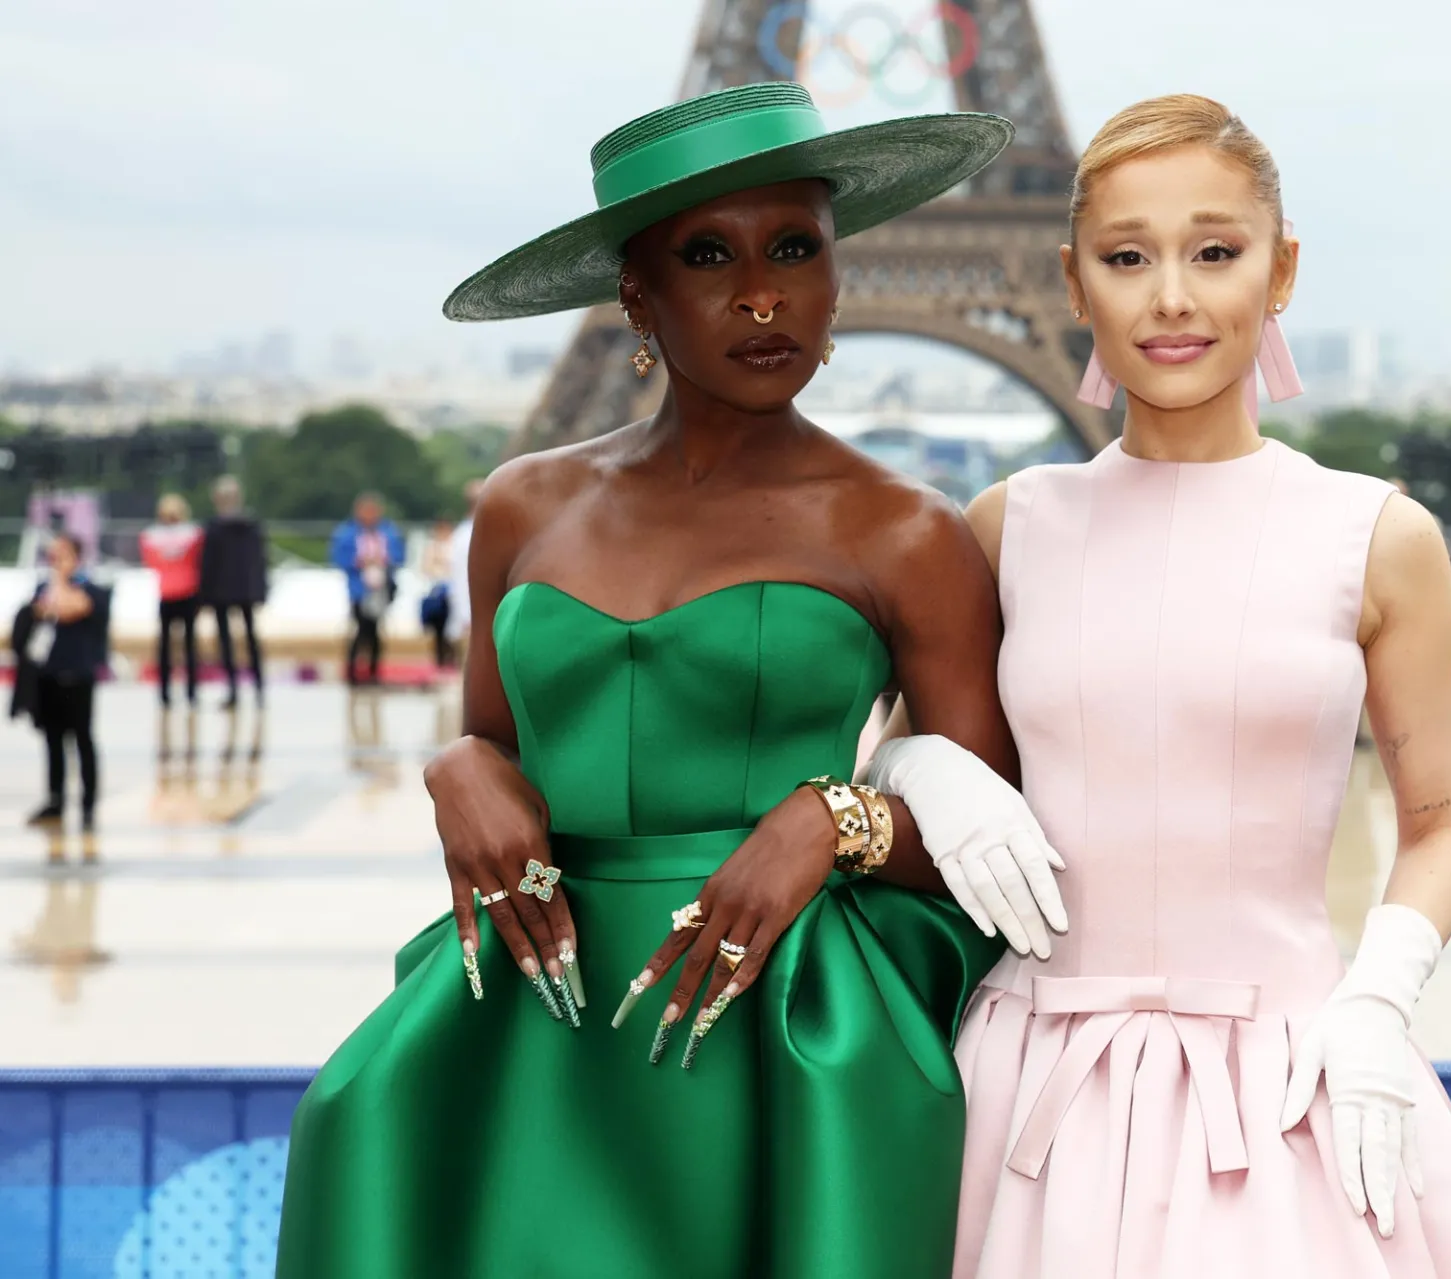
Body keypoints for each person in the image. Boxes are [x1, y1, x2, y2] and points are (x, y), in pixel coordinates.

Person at [277, 83, 1063, 1279]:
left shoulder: (906, 531)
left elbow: (989, 847)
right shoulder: (522, 503)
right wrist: (455, 766)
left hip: (773, 1028)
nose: (762, 294)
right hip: (531, 1019)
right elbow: (494, 745)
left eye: (794, 248)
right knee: (357, 1125)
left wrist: (831, 819)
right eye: (707, 255)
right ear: (635, 296)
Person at [899, 94, 1451, 1275]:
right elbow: (878, 766)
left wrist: (1378, 999)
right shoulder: (1003, 527)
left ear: (1280, 270)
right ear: (1071, 283)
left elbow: (1438, 826)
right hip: (1025, 1094)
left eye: (1215, 252)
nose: (1171, 296)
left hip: (1289, 1078)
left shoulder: (1378, 537)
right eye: (1126, 257)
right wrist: (918, 760)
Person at [19, 533, 111, 830]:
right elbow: (40, 609)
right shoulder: (43, 587)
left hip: (78, 676)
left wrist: (59, 581)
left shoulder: (92, 589)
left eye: (62, 554)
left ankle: (88, 802)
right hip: (49, 673)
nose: (56, 560)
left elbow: (71, 608)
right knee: (52, 739)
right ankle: (55, 799)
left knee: (82, 738)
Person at [198, 475, 269, 708]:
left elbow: (207, 564)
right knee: (250, 637)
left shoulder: (214, 528)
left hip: (221, 590)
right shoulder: (252, 526)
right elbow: (261, 560)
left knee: (228, 641)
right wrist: (260, 589)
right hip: (246, 588)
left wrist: (204, 594)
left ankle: (234, 689)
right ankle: (259, 689)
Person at [329, 492, 405, 686]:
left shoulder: (387, 531)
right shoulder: (348, 533)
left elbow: (398, 555)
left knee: (375, 631)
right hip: (359, 589)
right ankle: (353, 672)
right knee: (360, 629)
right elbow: (339, 558)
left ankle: (373, 671)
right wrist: (360, 562)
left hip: (380, 589)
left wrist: (383, 561)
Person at [140, 493, 204, 706]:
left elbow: (151, 562)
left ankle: (165, 692)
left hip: (167, 592)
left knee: (165, 646)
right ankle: (191, 691)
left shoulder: (152, 537)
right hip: (188, 591)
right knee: (189, 645)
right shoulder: (193, 535)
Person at [444, 478, 483, 664]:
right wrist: (466, 614)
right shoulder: (466, 536)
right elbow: (461, 579)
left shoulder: (471, 532)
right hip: (470, 615)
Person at [419, 517, 457, 668]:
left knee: (451, 626)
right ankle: (440, 657)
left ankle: (450, 656)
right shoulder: (432, 547)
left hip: (451, 590)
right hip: (436, 590)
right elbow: (426, 568)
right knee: (439, 628)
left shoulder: (454, 546)